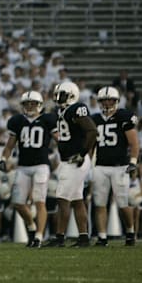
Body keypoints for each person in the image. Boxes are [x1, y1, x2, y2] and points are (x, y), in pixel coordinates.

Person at [0, 91, 57, 248]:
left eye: (33, 103)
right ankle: (32, 228)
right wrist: (4, 158)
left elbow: (59, 139)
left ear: (40, 105)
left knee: (40, 201)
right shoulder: (17, 121)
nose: (30, 106)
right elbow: (10, 144)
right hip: (23, 165)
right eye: (27, 104)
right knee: (18, 202)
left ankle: (38, 236)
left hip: (41, 165)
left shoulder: (47, 119)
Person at [44, 81, 97, 247]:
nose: (58, 98)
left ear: (72, 95)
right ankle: (83, 237)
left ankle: (60, 237)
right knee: (77, 200)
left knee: (62, 199)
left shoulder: (76, 109)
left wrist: (82, 154)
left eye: (63, 95)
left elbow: (92, 130)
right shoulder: (63, 111)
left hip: (75, 161)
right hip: (69, 160)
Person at [90, 86, 139, 246]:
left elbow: (134, 143)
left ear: (116, 101)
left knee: (123, 203)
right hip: (100, 166)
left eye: (110, 100)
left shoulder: (123, 116)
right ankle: (102, 237)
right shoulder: (95, 119)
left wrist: (133, 161)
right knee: (99, 203)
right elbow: (91, 145)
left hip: (120, 166)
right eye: (104, 100)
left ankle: (130, 232)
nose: (107, 103)